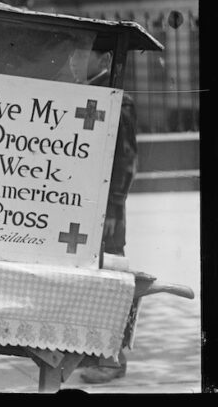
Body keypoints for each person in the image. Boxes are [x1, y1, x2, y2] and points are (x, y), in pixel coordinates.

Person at [80, 52, 138, 384]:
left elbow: (126, 157)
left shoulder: (120, 99)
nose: (75, 60)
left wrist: (115, 207)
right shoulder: (86, 90)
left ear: (101, 57)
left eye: (82, 53)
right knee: (93, 282)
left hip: (109, 210)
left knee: (113, 280)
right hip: (87, 207)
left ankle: (113, 358)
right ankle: (93, 352)